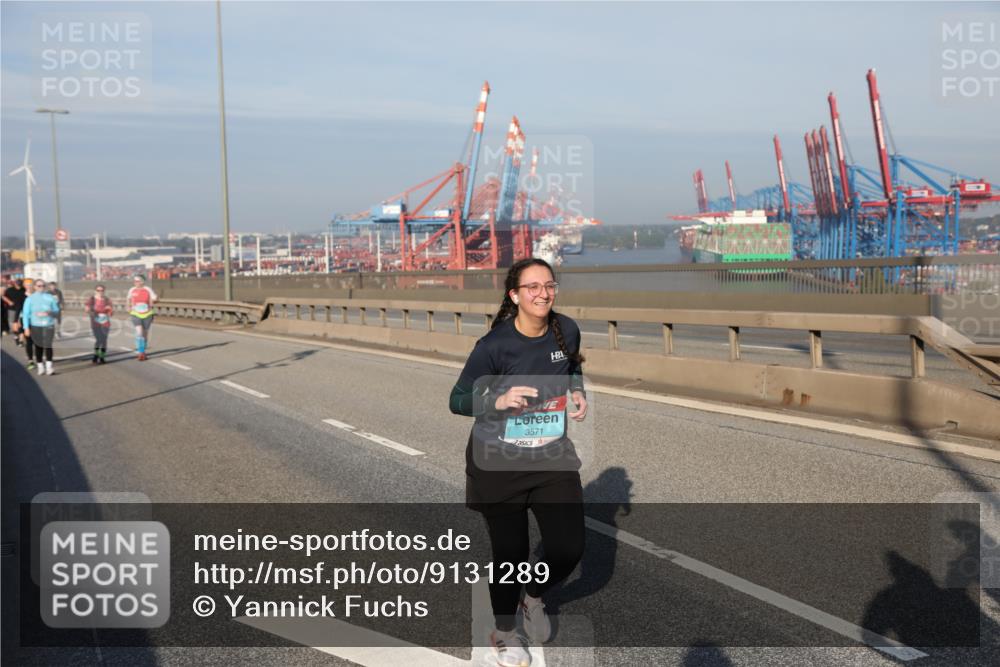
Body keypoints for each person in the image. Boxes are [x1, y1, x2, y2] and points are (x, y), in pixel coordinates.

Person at [449, 258, 588, 667]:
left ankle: (534, 597)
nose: (543, 293)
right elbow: (456, 400)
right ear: (515, 295)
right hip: (499, 464)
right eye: (532, 287)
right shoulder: (494, 346)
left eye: (549, 285)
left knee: (568, 548)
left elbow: (572, 366)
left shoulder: (568, 330)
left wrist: (577, 393)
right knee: (510, 556)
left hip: (551, 456)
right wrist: (497, 400)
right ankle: (504, 632)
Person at [21, 279, 60, 376]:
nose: (41, 287)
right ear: (34, 287)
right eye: (39, 286)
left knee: (48, 345)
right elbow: (26, 314)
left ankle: (49, 368)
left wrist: (50, 312)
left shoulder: (50, 297)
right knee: (39, 346)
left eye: (43, 285)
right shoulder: (30, 299)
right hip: (36, 325)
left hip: (48, 325)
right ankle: (40, 367)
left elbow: (56, 311)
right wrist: (26, 328)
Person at [126, 274, 158, 360]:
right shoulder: (132, 290)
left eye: (137, 281)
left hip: (147, 314)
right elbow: (128, 299)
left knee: (145, 334)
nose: (135, 282)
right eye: (135, 281)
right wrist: (128, 307)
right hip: (135, 313)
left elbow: (155, 298)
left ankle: (143, 350)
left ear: (142, 281)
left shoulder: (148, 289)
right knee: (139, 332)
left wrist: (153, 301)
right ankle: (141, 352)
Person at [84, 284, 113, 364]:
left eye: (102, 290)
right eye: (98, 290)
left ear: (104, 291)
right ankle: (96, 354)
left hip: (105, 322)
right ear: (95, 291)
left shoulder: (107, 300)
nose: (100, 292)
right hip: (95, 322)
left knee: (104, 340)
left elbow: (111, 312)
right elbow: (86, 309)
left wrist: (109, 311)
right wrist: (91, 311)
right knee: (99, 340)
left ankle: (102, 357)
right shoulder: (92, 299)